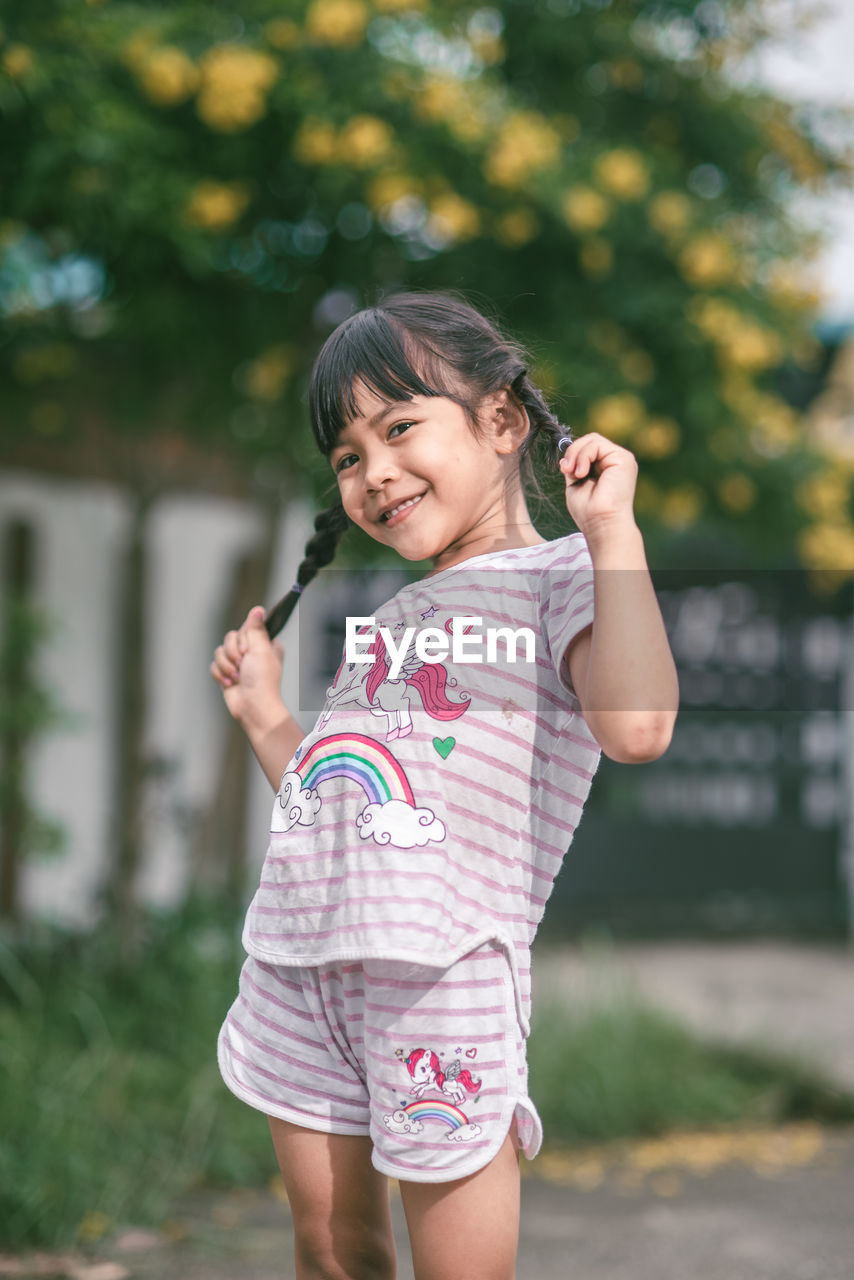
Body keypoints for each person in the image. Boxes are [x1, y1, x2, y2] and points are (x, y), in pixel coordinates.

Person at [210, 292, 679, 1280]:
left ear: (503, 421)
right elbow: (335, 796)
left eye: (397, 427)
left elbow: (635, 727)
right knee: (331, 1248)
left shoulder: (563, 578)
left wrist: (613, 533)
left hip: (440, 978)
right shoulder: (385, 624)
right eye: (345, 455)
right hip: (300, 961)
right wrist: (264, 713)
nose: (373, 472)